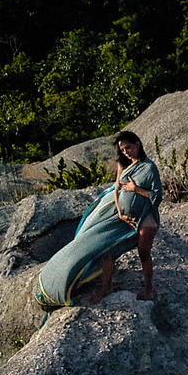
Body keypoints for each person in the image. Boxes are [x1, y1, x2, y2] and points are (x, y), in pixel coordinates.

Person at [33, 131, 162, 309]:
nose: (126, 152)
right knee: (106, 251)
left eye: (128, 148)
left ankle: (148, 289)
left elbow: (157, 196)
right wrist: (120, 212)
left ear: (138, 144)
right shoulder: (123, 164)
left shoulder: (149, 168)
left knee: (144, 253)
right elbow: (116, 189)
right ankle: (106, 287)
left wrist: (136, 189)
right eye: (123, 150)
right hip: (120, 217)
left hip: (145, 215)